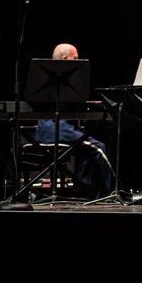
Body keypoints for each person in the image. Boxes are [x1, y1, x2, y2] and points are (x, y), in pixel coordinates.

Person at [32, 43, 115, 198]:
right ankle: (113, 191)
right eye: (76, 58)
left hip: (44, 131)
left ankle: (86, 189)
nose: (79, 61)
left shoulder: (45, 81)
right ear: (65, 59)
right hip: (54, 128)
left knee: (85, 148)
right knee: (99, 148)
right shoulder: (61, 82)